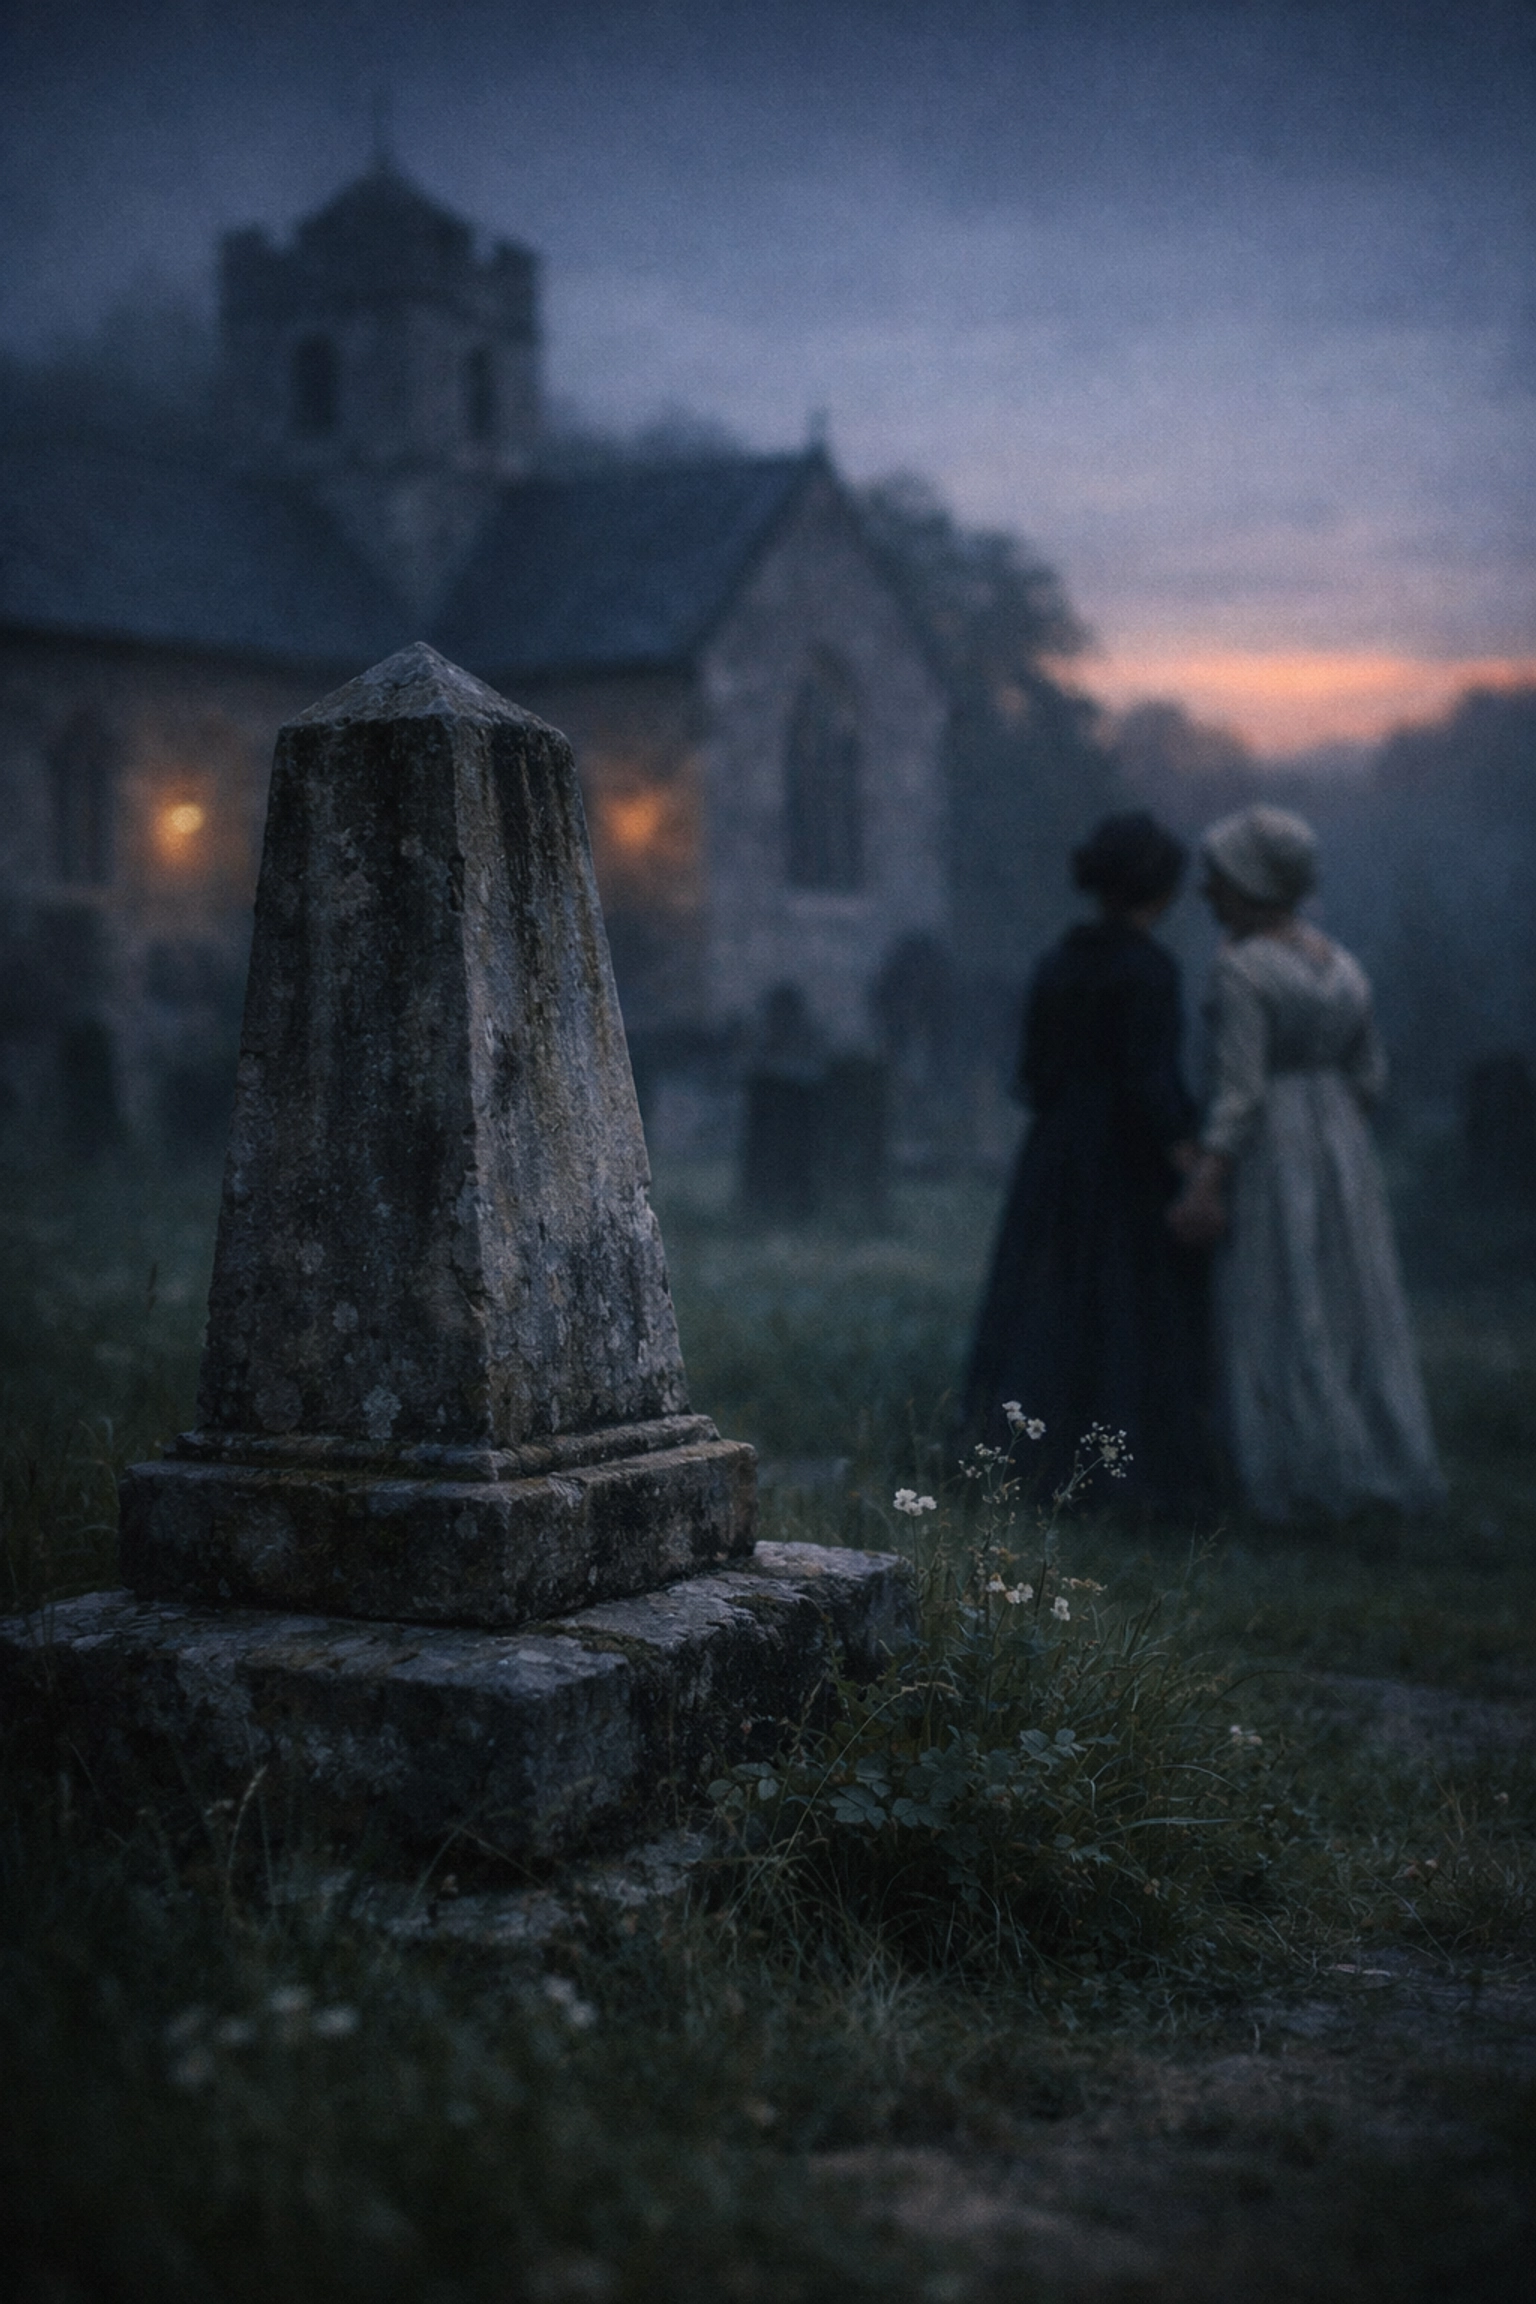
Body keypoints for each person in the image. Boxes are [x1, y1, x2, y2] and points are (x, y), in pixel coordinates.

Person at [1168, 804, 1443, 1521]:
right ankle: (1362, 1455)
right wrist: (1334, 1140)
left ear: (1253, 886)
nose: (1207, 894)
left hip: (1270, 1148)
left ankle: (1290, 1471)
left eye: (1220, 881)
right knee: (1342, 1297)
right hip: (1339, 1147)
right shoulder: (1342, 965)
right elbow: (1371, 1077)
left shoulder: (1242, 971)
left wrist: (1205, 1183)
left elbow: (1239, 1094)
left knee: (1274, 1296)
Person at [962, 812, 1214, 1513]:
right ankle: (1123, 1473)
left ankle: (1035, 1463)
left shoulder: (1058, 961)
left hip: (1056, 1156)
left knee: (1049, 1302)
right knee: (1125, 1307)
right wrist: (1187, 1155)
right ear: (1159, 890)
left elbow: (1036, 1073)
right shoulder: (1149, 970)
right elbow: (1151, 1082)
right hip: (1124, 1162)